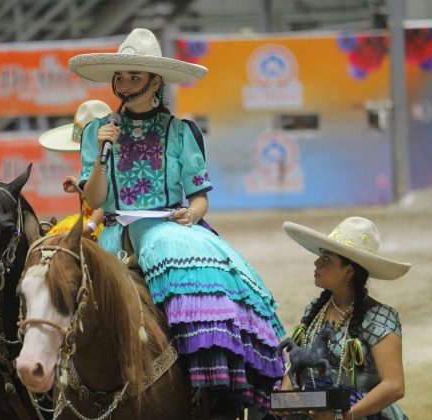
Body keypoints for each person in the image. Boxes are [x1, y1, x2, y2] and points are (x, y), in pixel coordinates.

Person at [69, 28, 286, 417]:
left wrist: (195, 213)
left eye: (135, 76)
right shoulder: (96, 133)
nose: (124, 83)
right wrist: (102, 155)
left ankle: (212, 384)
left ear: (156, 81)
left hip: (168, 228)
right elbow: (94, 199)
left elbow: (199, 195)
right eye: (121, 76)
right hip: (116, 230)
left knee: (211, 291)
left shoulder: (180, 132)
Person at [280, 216, 411, 419]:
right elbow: (300, 366)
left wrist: (342, 416)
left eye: (326, 259)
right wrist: (285, 399)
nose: (316, 262)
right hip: (317, 409)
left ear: (348, 271)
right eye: (320, 256)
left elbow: (394, 386)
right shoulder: (316, 309)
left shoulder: (379, 319)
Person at [38, 100, 108, 240]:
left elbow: (106, 200)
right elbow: (97, 193)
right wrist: (80, 187)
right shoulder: (95, 161)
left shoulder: (110, 161)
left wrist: (90, 226)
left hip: (107, 227)